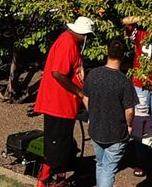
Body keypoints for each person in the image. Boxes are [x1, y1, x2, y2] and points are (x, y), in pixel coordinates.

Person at [33, 15, 93, 185]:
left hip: (65, 104)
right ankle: (44, 179)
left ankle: (60, 178)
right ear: (81, 33)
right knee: (56, 143)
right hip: (58, 103)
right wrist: (79, 92)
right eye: (86, 35)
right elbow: (58, 72)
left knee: (63, 142)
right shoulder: (68, 43)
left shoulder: (71, 42)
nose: (86, 39)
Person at [83, 41, 137, 187]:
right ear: (124, 56)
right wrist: (129, 125)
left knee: (100, 164)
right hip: (116, 133)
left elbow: (85, 98)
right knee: (108, 169)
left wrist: (94, 113)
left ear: (107, 52)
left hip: (96, 129)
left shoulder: (93, 74)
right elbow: (130, 110)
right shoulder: (124, 81)